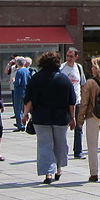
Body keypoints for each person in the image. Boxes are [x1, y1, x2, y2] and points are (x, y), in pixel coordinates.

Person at [22, 51, 77, 184]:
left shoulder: (36, 78)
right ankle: (58, 169)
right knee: (60, 143)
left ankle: (48, 173)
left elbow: (28, 99)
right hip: (60, 117)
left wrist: (25, 114)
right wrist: (72, 117)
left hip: (41, 117)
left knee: (44, 145)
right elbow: (71, 101)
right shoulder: (64, 79)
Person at [59, 47, 86, 158]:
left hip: (77, 101)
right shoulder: (61, 68)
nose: (69, 58)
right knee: (62, 127)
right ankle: (62, 151)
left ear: (76, 57)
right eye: (68, 56)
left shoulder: (79, 68)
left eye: (71, 56)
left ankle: (78, 151)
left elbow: (83, 84)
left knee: (79, 127)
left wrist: (84, 100)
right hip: (63, 103)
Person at [12, 58, 31, 131]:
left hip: (18, 91)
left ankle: (20, 125)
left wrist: (14, 81)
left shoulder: (18, 71)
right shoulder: (27, 70)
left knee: (17, 108)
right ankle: (24, 122)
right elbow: (29, 79)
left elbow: (18, 82)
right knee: (24, 108)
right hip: (25, 90)